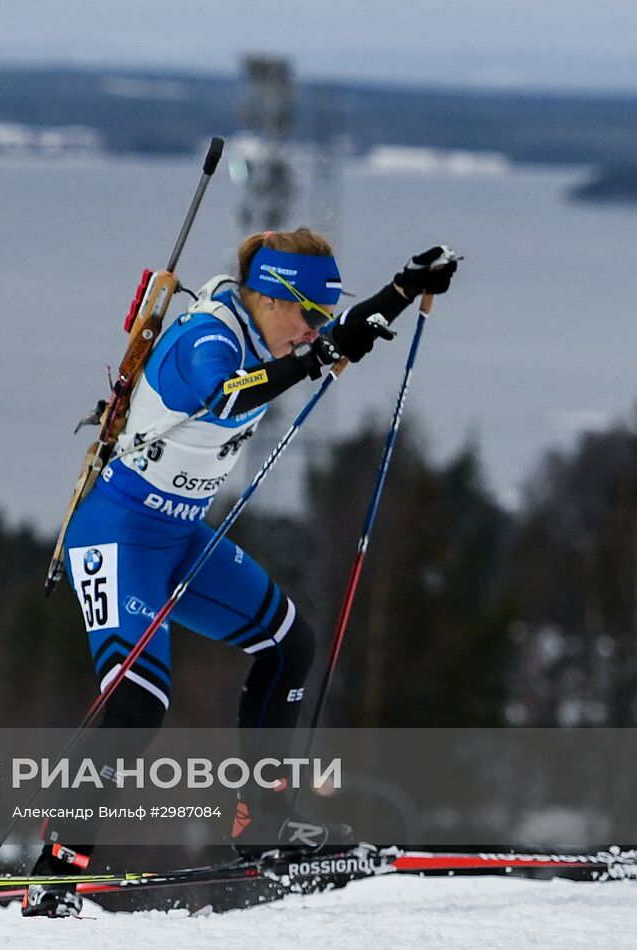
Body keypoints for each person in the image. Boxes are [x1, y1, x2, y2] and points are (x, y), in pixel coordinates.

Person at [23, 230, 459, 917]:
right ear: (270, 297)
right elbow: (225, 395)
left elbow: (338, 337)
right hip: (117, 536)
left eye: (321, 317)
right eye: (308, 315)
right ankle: (55, 870)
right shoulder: (207, 336)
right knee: (137, 704)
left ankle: (263, 823)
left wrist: (404, 288)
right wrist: (319, 352)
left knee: (290, 644)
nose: (313, 329)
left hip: (179, 537)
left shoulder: (274, 336)